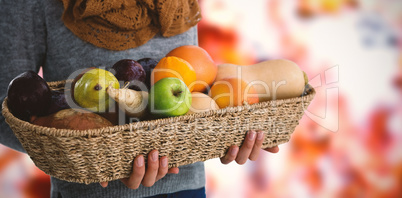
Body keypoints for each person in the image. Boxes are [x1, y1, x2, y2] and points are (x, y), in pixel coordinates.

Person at [0, 0, 279, 197]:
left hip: (186, 189)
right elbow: (6, 111)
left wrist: (225, 135)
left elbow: (197, 87)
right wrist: (102, 157)